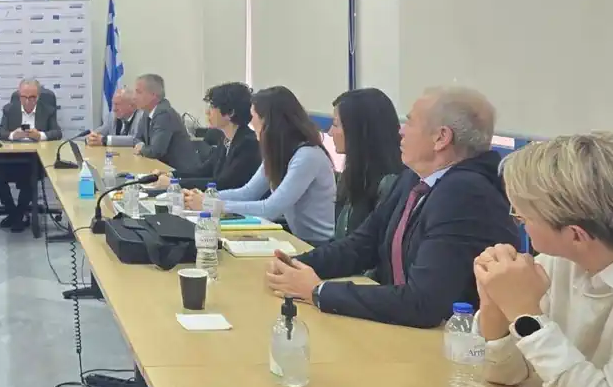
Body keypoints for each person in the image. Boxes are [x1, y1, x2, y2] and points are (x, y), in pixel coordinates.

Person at [266, 86, 519, 328]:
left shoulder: (466, 194)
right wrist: (294, 264)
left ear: (441, 137)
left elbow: (424, 303)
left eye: (410, 122)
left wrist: (317, 291)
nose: (401, 131)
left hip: (448, 342)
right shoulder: (414, 178)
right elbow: (362, 245)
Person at [477, 133, 613, 387]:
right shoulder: (560, 261)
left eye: (524, 217)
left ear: (576, 235)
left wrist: (526, 316)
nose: (519, 223)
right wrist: (494, 305)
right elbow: (506, 374)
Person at [187, 86, 335, 243]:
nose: (251, 122)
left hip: (317, 244)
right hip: (296, 238)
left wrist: (212, 205)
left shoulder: (307, 156)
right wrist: (206, 196)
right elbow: (248, 192)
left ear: (269, 121)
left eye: (253, 116)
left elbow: (269, 209)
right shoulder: (279, 151)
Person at [330, 87, 405, 239]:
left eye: (336, 125)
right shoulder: (353, 173)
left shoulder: (391, 184)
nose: (330, 132)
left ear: (358, 130)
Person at [0, 79, 62, 231]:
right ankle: (14, 212)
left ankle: (19, 214)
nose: (28, 101)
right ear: (19, 95)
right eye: (24, 97)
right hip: (12, 159)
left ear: (38, 96)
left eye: (32, 97)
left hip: (36, 160)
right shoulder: (9, 109)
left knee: (31, 175)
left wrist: (40, 135)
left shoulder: (48, 110)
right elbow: (0, 133)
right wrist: (12, 135)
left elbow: (57, 133)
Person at [174, 82, 260, 190]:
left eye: (212, 107)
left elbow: (223, 183)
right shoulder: (226, 139)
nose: (207, 112)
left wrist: (176, 183)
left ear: (230, 112)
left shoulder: (249, 144)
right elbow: (204, 171)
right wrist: (172, 175)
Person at [132, 74, 202, 174]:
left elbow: (156, 151)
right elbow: (137, 138)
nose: (134, 97)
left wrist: (141, 148)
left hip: (182, 173)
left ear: (153, 95)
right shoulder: (147, 112)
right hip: (163, 169)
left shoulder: (164, 114)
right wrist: (141, 146)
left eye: (138, 92)